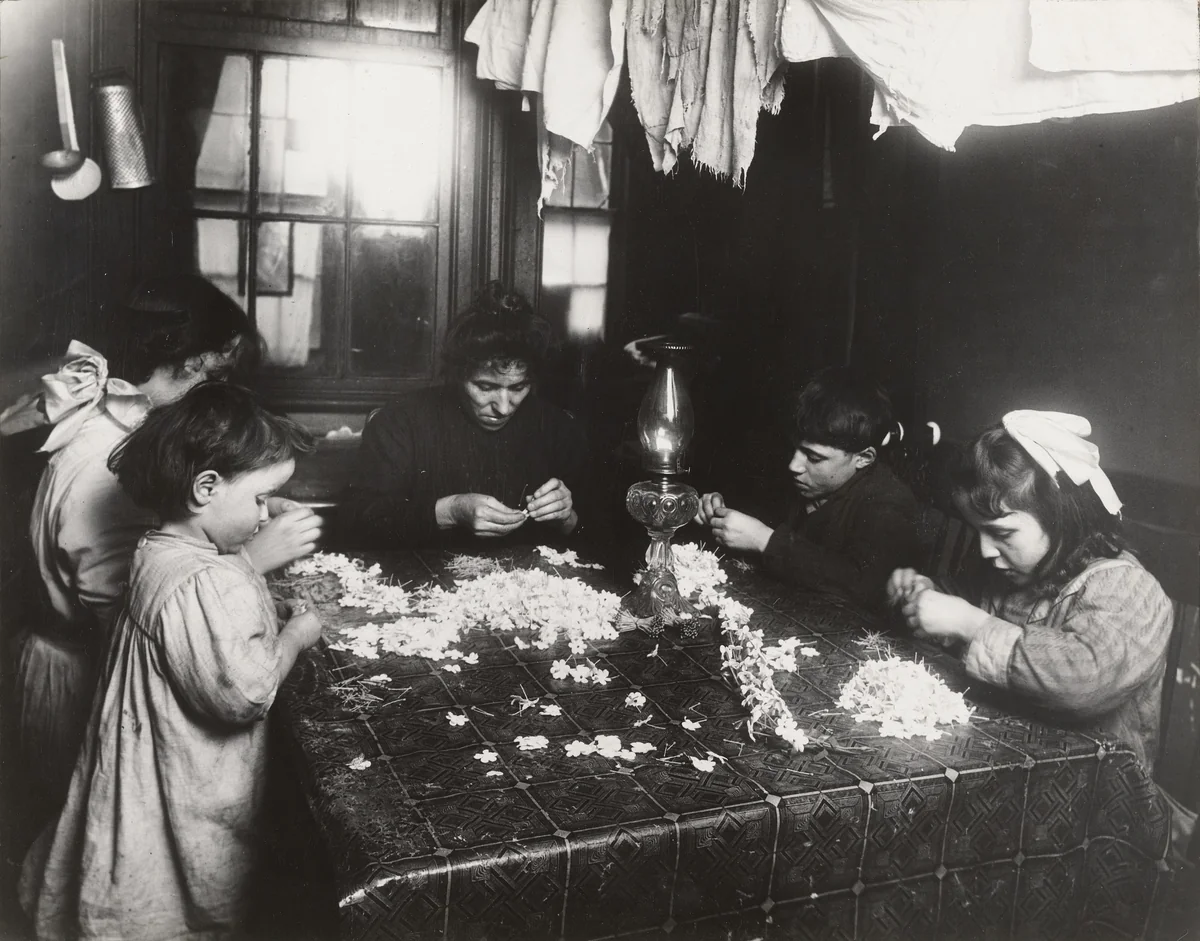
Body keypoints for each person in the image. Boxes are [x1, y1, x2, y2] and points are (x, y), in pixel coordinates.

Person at [0, 274, 323, 818]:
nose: (214, 399)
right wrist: (249, 559)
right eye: (214, 376)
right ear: (186, 363)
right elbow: (137, 608)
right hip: (81, 677)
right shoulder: (109, 458)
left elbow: (166, 539)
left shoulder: (125, 425)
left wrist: (248, 509)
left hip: (79, 658)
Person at [19, 382, 324, 941]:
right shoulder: (211, 581)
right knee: (177, 900)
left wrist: (259, 597)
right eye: (260, 499)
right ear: (205, 487)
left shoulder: (157, 549)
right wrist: (297, 635)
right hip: (188, 781)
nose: (266, 514)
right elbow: (244, 693)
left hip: (138, 763)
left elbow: (199, 618)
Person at [887, 410, 1172, 772]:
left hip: (1092, 787)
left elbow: (1081, 678)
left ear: (1061, 517)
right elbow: (959, 601)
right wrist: (924, 595)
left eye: (1002, 534)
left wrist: (971, 625)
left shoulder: (1129, 590)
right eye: (977, 533)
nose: (985, 551)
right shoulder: (1012, 572)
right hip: (1004, 762)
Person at [338, 281, 591, 546]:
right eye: (486, 386)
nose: (504, 407)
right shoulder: (402, 420)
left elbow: (604, 542)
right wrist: (450, 511)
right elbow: (353, 521)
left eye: (518, 387)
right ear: (458, 375)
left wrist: (567, 518)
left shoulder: (558, 428)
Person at [693, 366, 924, 610]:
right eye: (796, 448)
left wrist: (765, 540)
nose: (794, 465)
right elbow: (757, 513)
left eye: (814, 458)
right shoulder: (799, 477)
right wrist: (718, 510)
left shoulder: (890, 502)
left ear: (864, 458)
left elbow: (864, 585)